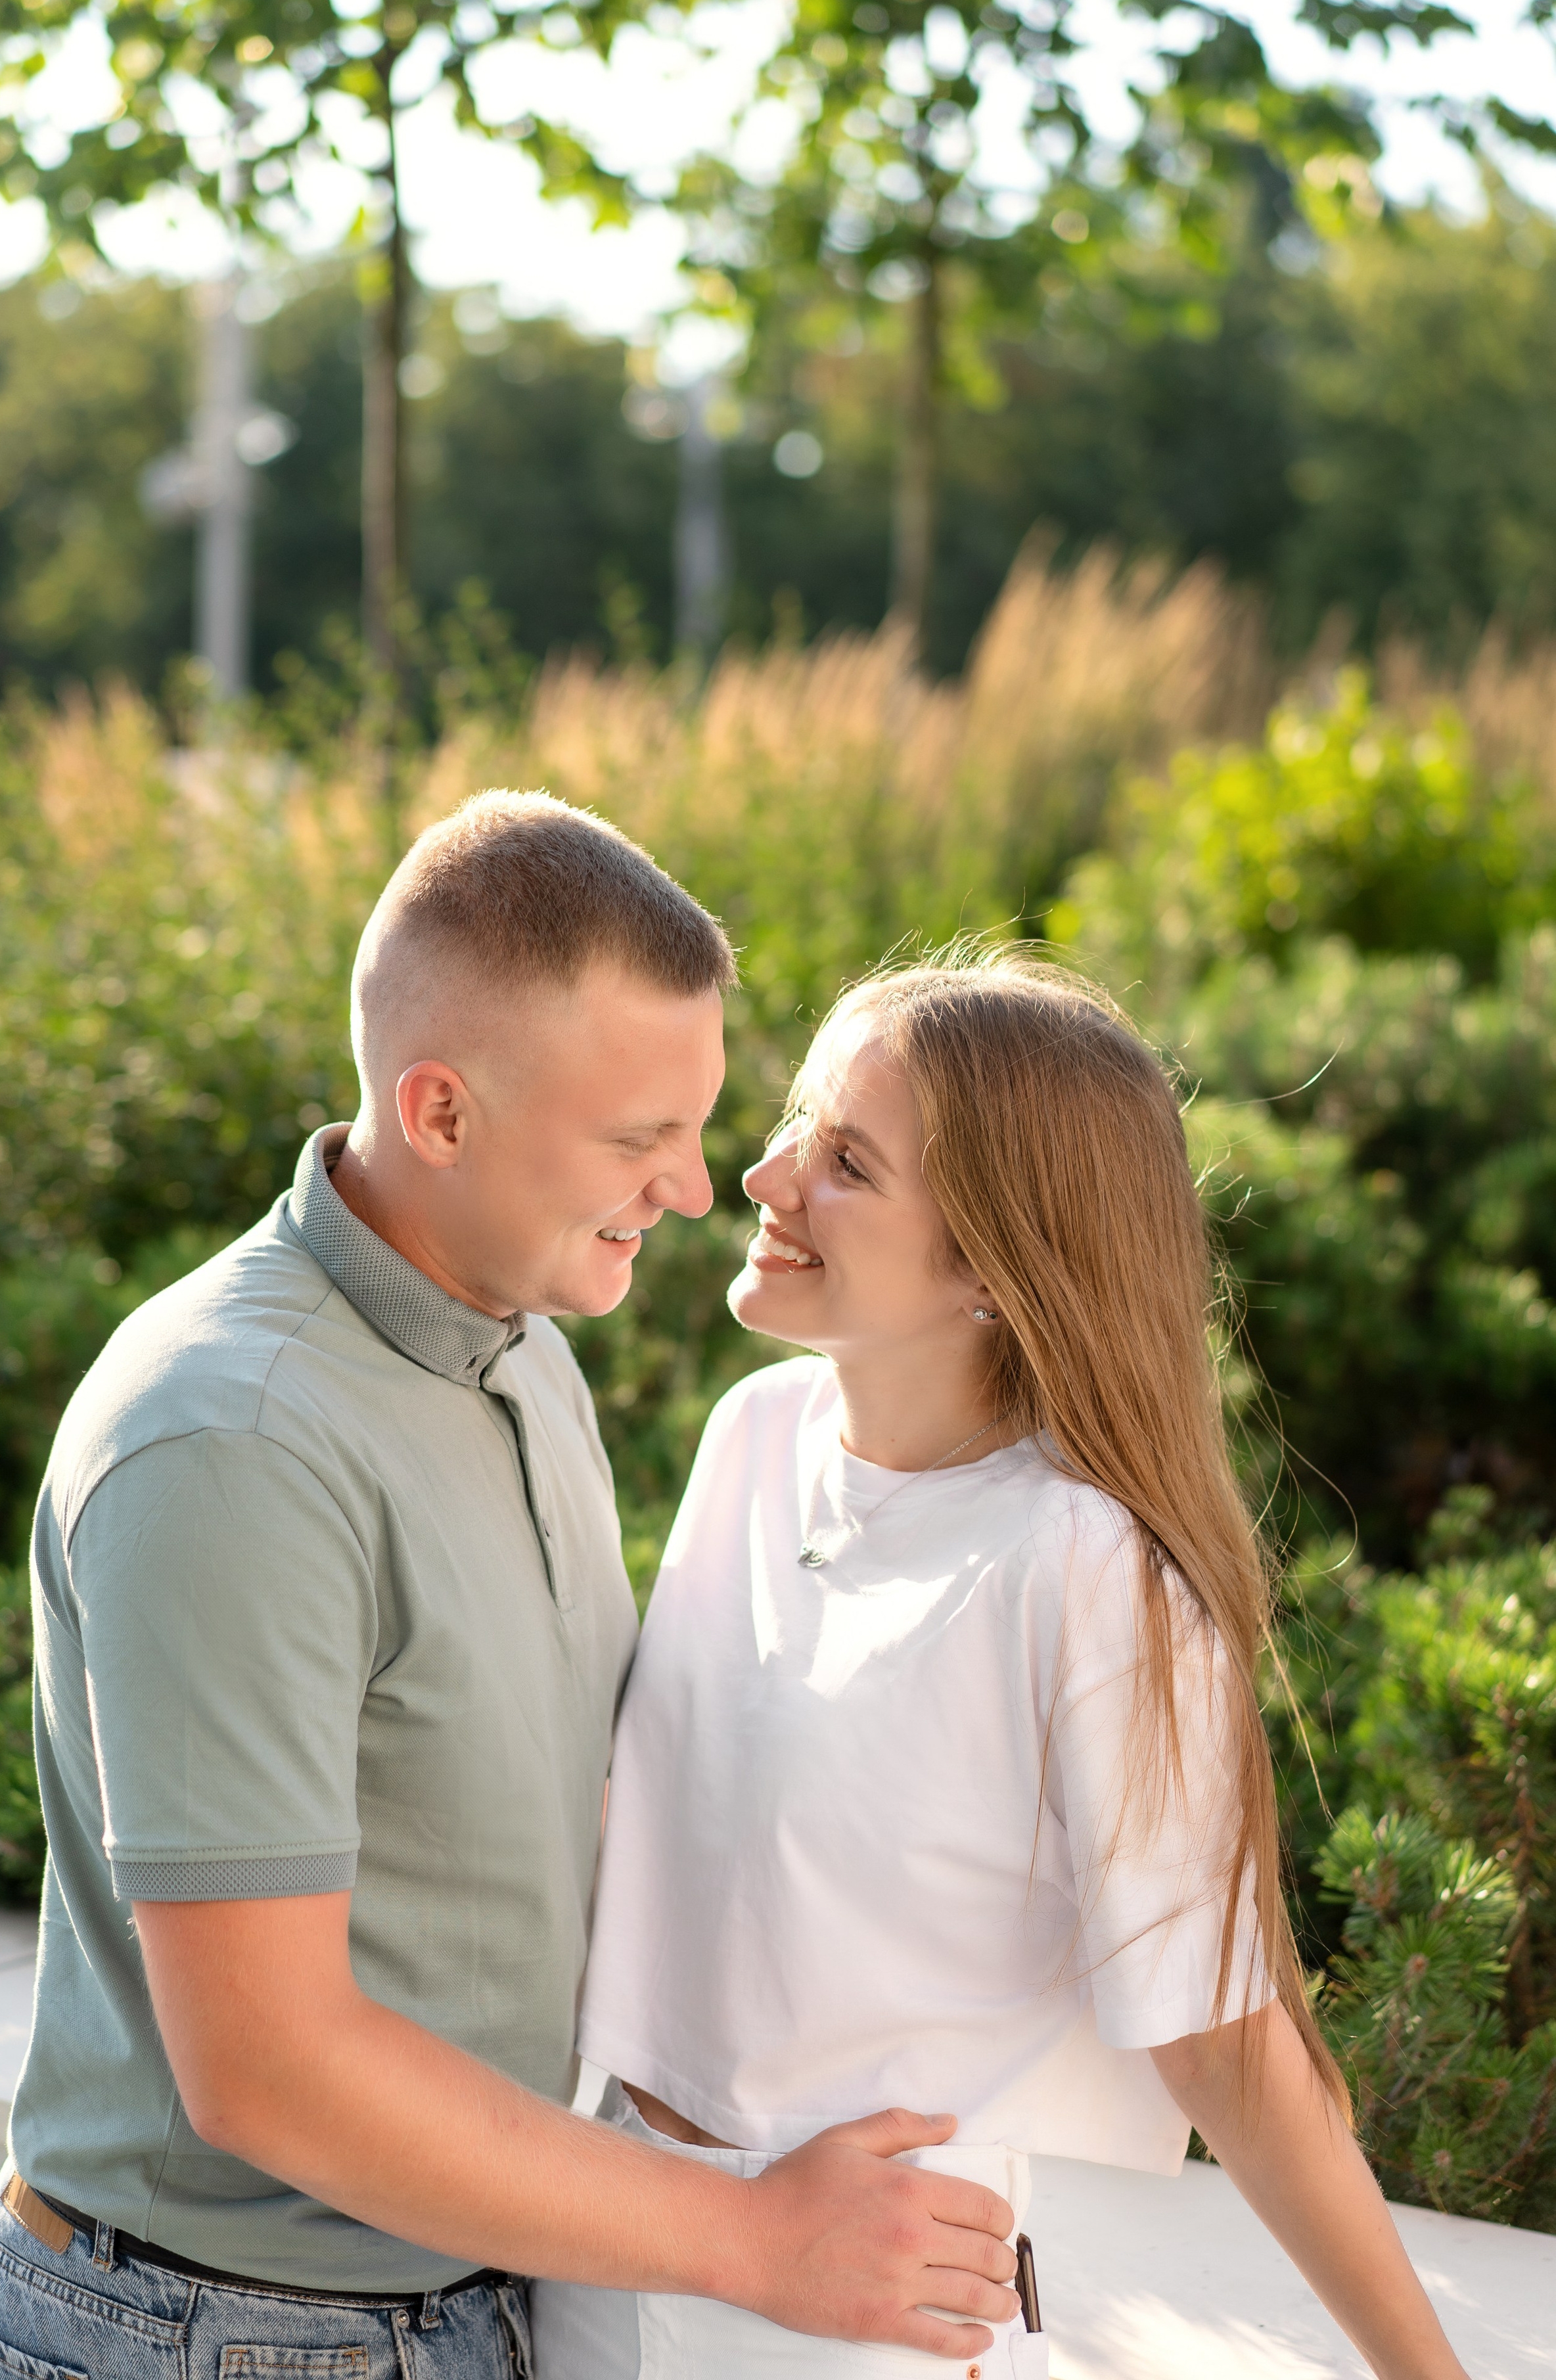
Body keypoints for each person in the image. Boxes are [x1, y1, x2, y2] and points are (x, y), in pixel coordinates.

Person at [0, 797, 1017, 2380]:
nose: (695, 1185)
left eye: (695, 1122)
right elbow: (266, 2074)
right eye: (633, 1139)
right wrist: (749, 2236)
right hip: (223, 2337)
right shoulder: (230, 1444)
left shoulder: (523, 1352)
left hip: (466, 2300)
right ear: (441, 1113)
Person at [534, 949, 1473, 2380]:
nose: (766, 1176)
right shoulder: (754, 1439)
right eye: (796, 1121)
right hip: (611, 2254)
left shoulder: (1088, 1571)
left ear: (990, 1263)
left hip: (857, 2328)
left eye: (845, 1159)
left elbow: (1228, 2053)